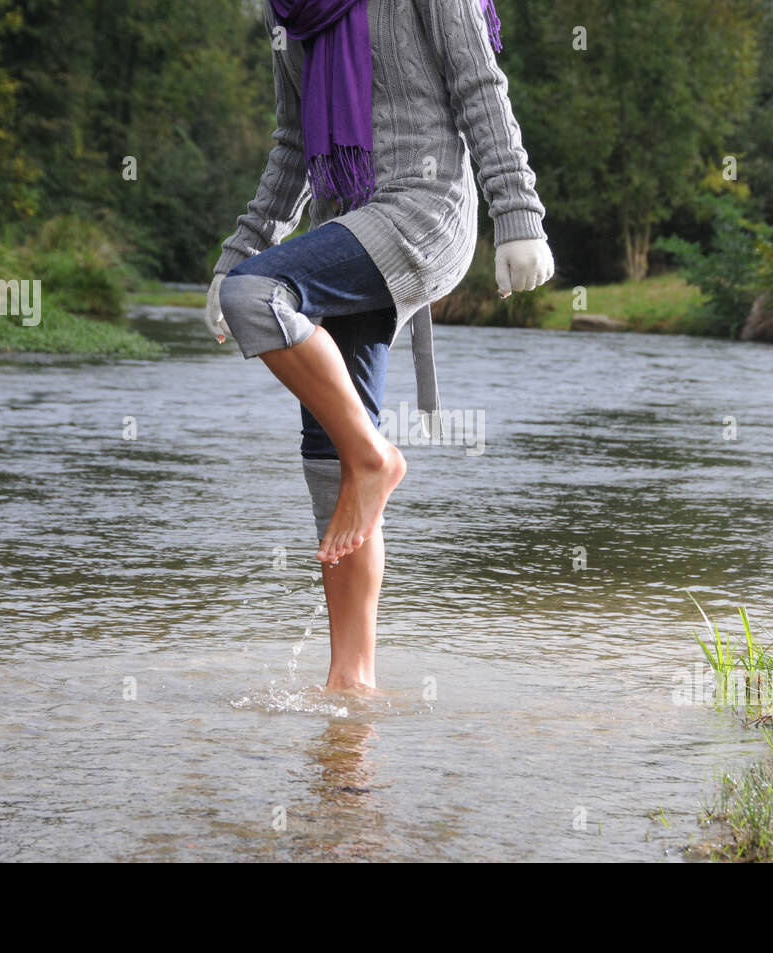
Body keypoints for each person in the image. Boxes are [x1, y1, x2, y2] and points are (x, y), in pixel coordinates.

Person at [205, 0, 554, 692]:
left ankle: (377, 457)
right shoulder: (291, 12)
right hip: (347, 223)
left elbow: (479, 85)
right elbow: (291, 146)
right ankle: (351, 689)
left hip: (424, 214)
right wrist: (238, 252)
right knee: (329, 464)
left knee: (256, 297)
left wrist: (519, 213)